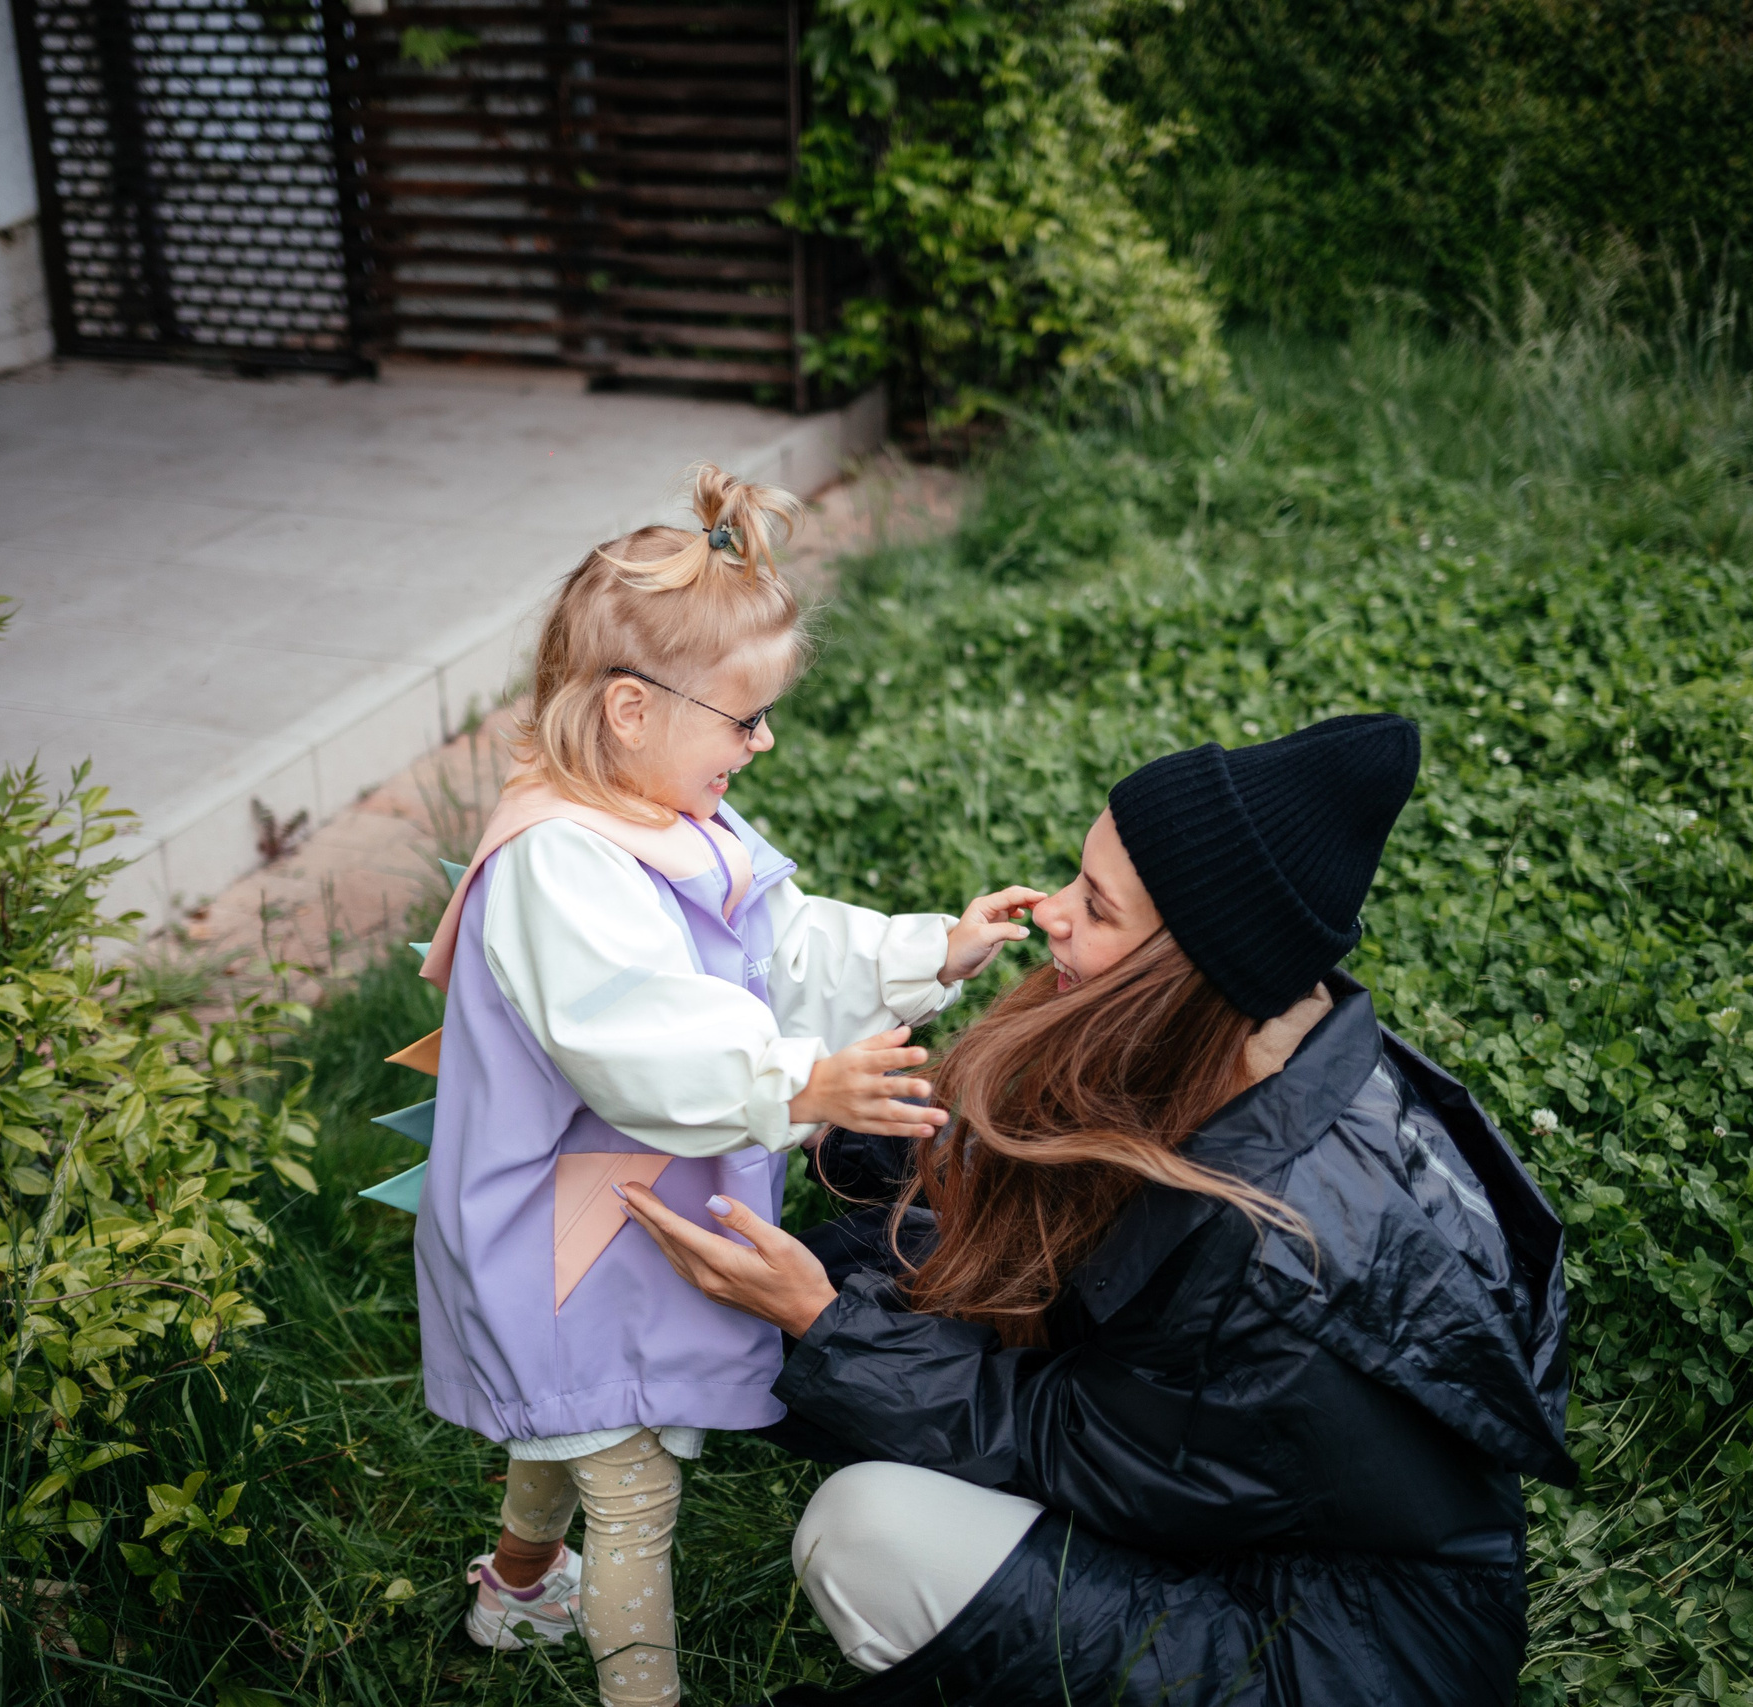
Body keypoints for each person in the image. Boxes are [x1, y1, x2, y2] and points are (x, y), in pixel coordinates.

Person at [620, 715, 1577, 1707]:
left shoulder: (1271, 1262)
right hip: (1242, 1516)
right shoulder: (1261, 1035)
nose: (1053, 916)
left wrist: (823, 1324)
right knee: (925, 1256)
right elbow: (1046, 1185)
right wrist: (852, 1129)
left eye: (1098, 906)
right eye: (1077, 881)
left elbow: (1059, 1437)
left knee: (866, 1529)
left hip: (1333, 1660)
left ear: (1196, 961)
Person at [409, 462, 1042, 1707]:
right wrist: (803, 1083)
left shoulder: (672, 818)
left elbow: (783, 943)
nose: (762, 743)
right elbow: (635, 1042)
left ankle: (516, 1588)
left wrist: (928, 950)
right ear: (634, 711)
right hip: (562, 1232)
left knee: (571, 1429)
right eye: (743, 720)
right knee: (629, 1484)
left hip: (618, 1209)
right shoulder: (560, 868)